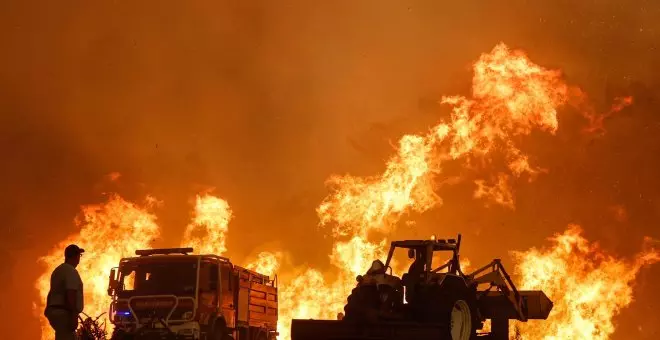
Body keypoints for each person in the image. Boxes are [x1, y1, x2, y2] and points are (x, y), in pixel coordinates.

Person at [44, 244, 85, 340]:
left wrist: (48, 310)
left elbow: (51, 293)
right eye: (79, 256)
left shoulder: (57, 271)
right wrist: (74, 315)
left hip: (54, 311)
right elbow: (71, 293)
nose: (79, 259)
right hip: (64, 313)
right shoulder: (70, 271)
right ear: (76, 256)